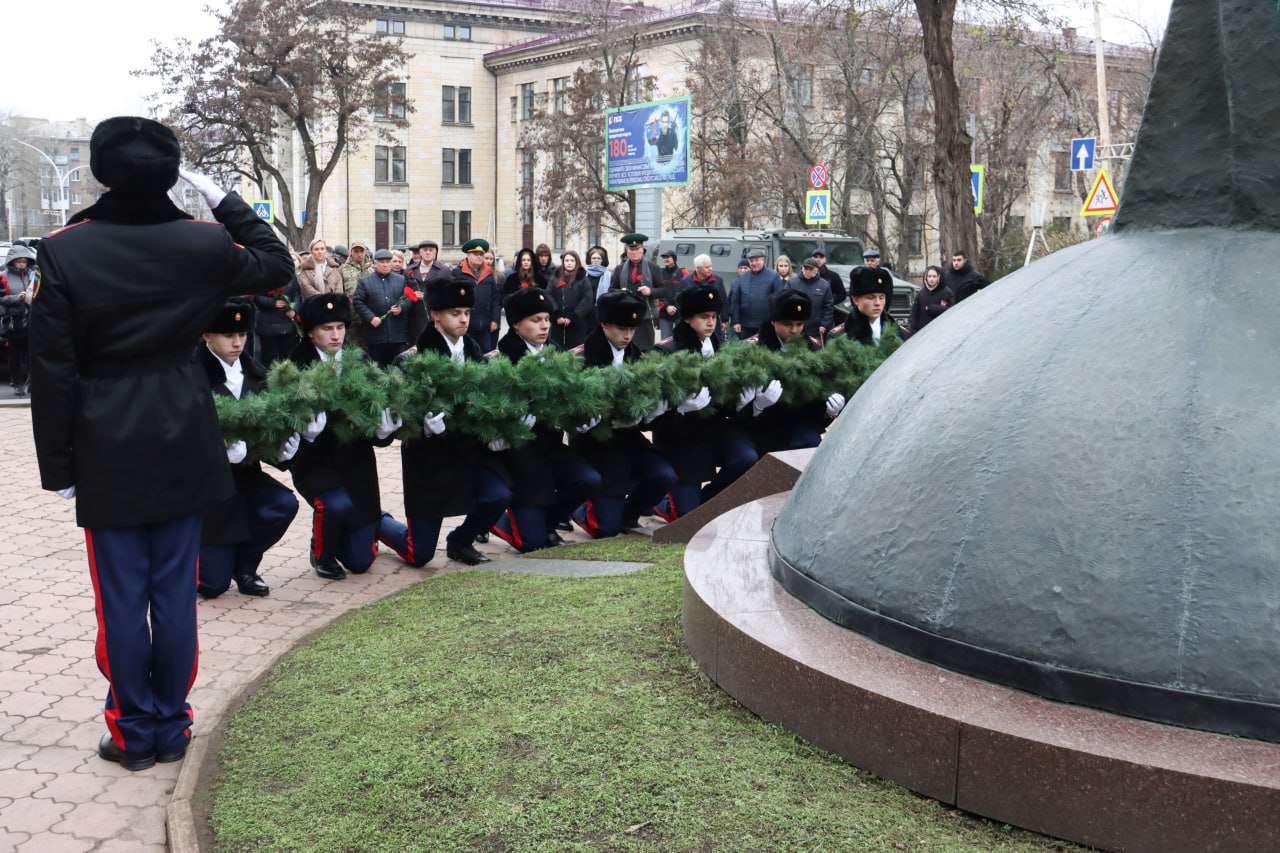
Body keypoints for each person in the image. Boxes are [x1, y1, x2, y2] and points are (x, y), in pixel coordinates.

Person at [29, 116, 294, 771]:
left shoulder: (65, 249)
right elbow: (277, 264)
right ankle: (172, 725)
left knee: (121, 596)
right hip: (182, 426)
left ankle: (132, 729)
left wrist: (56, 463)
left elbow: (52, 369)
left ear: (99, 170)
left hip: (105, 436)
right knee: (174, 591)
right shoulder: (202, 243)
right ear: (175, 173)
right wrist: (223, 200)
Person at [378, 278, 511, 567]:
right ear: (435, 315)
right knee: (419, 554)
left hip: (469, 454)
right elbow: (398, 414)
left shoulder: (477, 358)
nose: (463, 319)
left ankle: (461, 541)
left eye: (466, 312)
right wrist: (422, 427)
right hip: (430, 463)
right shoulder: (411, 361)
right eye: (455, 313)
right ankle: (378, 522)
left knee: (498, 494)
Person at [288, 293, 405, 580]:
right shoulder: (295, 366)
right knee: (335, 506)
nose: (336, 335)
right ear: (311, 332)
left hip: (357, 464)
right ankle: (322, 553)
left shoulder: (360, 359)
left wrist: (383, 432)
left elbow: (375, 409)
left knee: (360, 562)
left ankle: (375, 523)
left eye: (340, 327)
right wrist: (308, 435)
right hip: (317, 463)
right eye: (327, 329)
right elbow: (287, 423)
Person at [196, 300, 300, 600]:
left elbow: (266, 429)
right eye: (228, 335)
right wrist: (217, 453)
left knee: (282, 505)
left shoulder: (258, 375)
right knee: (211, 587)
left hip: (245, 477)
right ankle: (205, 561)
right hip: (206, 489)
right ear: (207, 335)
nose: (237, 342)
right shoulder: (192, 376)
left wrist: (283, 453)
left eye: (242, 334)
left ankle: (245, 565)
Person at [489, 287, 602, 552]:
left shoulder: (557, 353)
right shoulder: (503, 360)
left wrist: (581, 416)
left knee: (588, 479)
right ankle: (501, 521)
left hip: (550, 447)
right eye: (535, 320)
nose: (544, 326)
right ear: (516, 324)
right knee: (531, 545)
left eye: (547, 319)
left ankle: (548, 522)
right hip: (518, 452)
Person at [569, 290, 676, 539]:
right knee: (605, 530)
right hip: (594, 442)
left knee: (664, 475)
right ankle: (580, 509)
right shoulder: (582, 358)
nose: (628, 335)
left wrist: (651, 413)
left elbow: (646, 405)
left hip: (627, 439)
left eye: (632, 328)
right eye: (621, 328)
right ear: (604, 324)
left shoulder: (637, 357)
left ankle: (628, 513)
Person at [649, 285, 758, 522]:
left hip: (713, 428)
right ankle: (666, 503)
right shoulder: (667, 351)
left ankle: (707, 502)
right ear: (688, 319)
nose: (711, 323)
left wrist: (742, 402)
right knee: (685, 516)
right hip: (682, 437)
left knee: (746, 457)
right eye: (704, 317)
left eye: (714, 317)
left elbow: (725, 400)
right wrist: (679, 408)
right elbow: (654, 410)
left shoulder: (718, 348)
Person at [741, 290, 846, 452]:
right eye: (787, 324)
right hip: (763, 425)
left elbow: (817, 399)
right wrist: (757, 406)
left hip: (800, 423)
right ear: (773, 322)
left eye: (799, 324)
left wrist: (829, 412)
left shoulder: (814, 350)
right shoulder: (751, 350)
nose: (794, 330)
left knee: (810, 445)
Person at [353, 248, 411, 366]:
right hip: (375, 335)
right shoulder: (365, 281)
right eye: (382, 262)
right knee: (377, 369)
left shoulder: (400, 280)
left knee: (398, 369)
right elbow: (358, 302)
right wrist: (371, 317)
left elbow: (408, 299)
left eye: (388, 261)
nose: (385, 265)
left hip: (397, 335)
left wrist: (401, 309)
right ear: (375, 264)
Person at [609, 232, 661, 351]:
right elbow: (611, 290)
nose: (634, 252)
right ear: (627, 251)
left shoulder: (654, 268)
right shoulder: (619, 269)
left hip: (645, 317)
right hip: (625, 317)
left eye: (637, 249)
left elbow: (664, 291)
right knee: (625, 350)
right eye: (631, 249)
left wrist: (650, 291)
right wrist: (619, 292)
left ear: (643, 250)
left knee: (645, 350)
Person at [1, 243, 37, 396]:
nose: (22, 264)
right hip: (12, 321)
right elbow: (1, 298)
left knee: (31, 353)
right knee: (14, 354)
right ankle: (18, 384)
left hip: (30, 320)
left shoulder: (33, 275)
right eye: (19, 261)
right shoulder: (3, 276)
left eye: (24, 261)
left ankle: (30, 382)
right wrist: (17, 298)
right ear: (12, 261)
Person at [832, 266, 900, 346]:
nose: (878, 303)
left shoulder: (900, 333)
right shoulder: (839, 336)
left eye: (881, 297)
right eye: (871, 298)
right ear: (855, 300)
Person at [726, 247, 783, 340]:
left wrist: (777, 321)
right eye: (751, 261)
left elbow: (780, 301)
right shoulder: (743, 277)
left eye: (757, 260)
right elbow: (736, 301)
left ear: (763, 260)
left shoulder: (773, 276)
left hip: (766, 325)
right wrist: (736, 321)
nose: (754, 263)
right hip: (745, 325)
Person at [455, 238, 501, 351]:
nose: (479, 257)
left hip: (485, 326)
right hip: (465, 326)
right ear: (468, 255)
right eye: (476, 254)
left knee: (485, 356)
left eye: (481, 254)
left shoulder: (488, 274)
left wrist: (495, 320)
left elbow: (496, 299)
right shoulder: (458, 273)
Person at [405, 239, 451, 342]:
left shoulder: (444, 271)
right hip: (414, 319)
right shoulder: (409, 270)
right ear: (420, 252)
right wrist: (411, 296)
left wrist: (427, 296)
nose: (428, 252)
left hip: (435, 318)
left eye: (431, 250)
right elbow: (403, 293)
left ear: (435, 253)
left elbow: (449, 294)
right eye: (425, 250)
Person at [678, 254, 728, 341]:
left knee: (716, 346)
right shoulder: (686, 282)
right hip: (695, 324)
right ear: (698, 269)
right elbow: (679, 301)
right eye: (706, 267)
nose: (710, 269)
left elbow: (723, 300)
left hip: (713, 323)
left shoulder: (718, 280)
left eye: (711, 266)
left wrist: (724, 319)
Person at [784, 257, 835, 342]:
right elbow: (784, 302)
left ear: (816, 270)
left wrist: (824, 324)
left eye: (810, 269)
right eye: (805, 268)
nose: (807, 271)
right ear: (802, 268)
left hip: (815, 329)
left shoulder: (824, 285)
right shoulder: (792, 282)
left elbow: (828, 307)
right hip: (794, 327)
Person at [907, 264, 951, 335]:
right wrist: (913, 330)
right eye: (929, 276)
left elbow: (952, 311)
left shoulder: (947, 293)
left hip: (941, 333)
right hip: (923, 333)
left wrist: (935, 309)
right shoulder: (921, 293)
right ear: (926, 277)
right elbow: (915, 313)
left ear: (939, 277)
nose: (931, 279)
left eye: (934, 276)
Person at [654, 249, 688, 340]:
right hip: (665, 312)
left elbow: (686, 291)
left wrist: (676, 306)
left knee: (682, 338)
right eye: (664, 258)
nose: (665, 259)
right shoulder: (660, 273)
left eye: (668, 257)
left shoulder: (683, 272)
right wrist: (667, 306)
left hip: (680, 312)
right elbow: (658, 292)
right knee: (665, 340)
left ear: (674, 258)